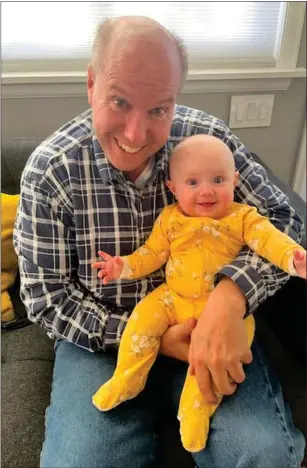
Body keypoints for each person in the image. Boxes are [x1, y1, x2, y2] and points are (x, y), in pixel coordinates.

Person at [13, 15, 305, 468]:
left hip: (212, 321)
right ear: (91, 84)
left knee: (262, 453)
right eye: (119, 101)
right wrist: (150, 337)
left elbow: (281, 217)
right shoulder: (51, 172)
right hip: (105, 341)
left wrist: (231, 297)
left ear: (176, 101)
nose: (135, 134)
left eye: (158, 109)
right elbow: (46, 299)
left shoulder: (207, 145)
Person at [91, 134, 306, 453]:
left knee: (213, 361)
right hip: (171, 297)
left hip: (221, 310)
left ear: (234, 180)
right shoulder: (170, 219)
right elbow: (152, 255)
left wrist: (292, 258)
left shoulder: (243, 217)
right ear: (173, 189)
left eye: (218, 180)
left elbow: (269, 240)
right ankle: (128, 378)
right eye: (192, 182)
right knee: (141, 323)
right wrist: (122, 267)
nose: (206, 190)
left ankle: (195, 413)